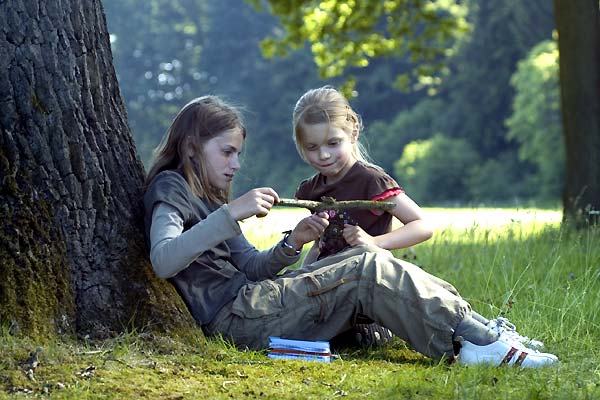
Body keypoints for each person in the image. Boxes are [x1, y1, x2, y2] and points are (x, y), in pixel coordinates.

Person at [143, 95, 558, 368]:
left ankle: (484, 337)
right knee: (366, 268)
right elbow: (163, 260)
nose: (235, 164)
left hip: (250, 300)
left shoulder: (212, 198)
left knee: (368, 258)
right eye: (227, 152)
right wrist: (231, 214)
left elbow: (251, 266)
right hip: (235, 317)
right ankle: (479, 344)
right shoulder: (171, 188)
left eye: (238, 153)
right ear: (193, 148)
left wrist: (293, 242)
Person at [290, 86, 545, 351]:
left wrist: (375, 242)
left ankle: (490, 337)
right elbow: (322, 245)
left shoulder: (371, 181)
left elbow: (422, 226)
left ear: (352, 132)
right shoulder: (311, 190)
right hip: (329, 287)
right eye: (312, 147)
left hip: (368, 284)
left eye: (333, 143)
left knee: (426, 298)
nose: (324, 155)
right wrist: (299, 275)